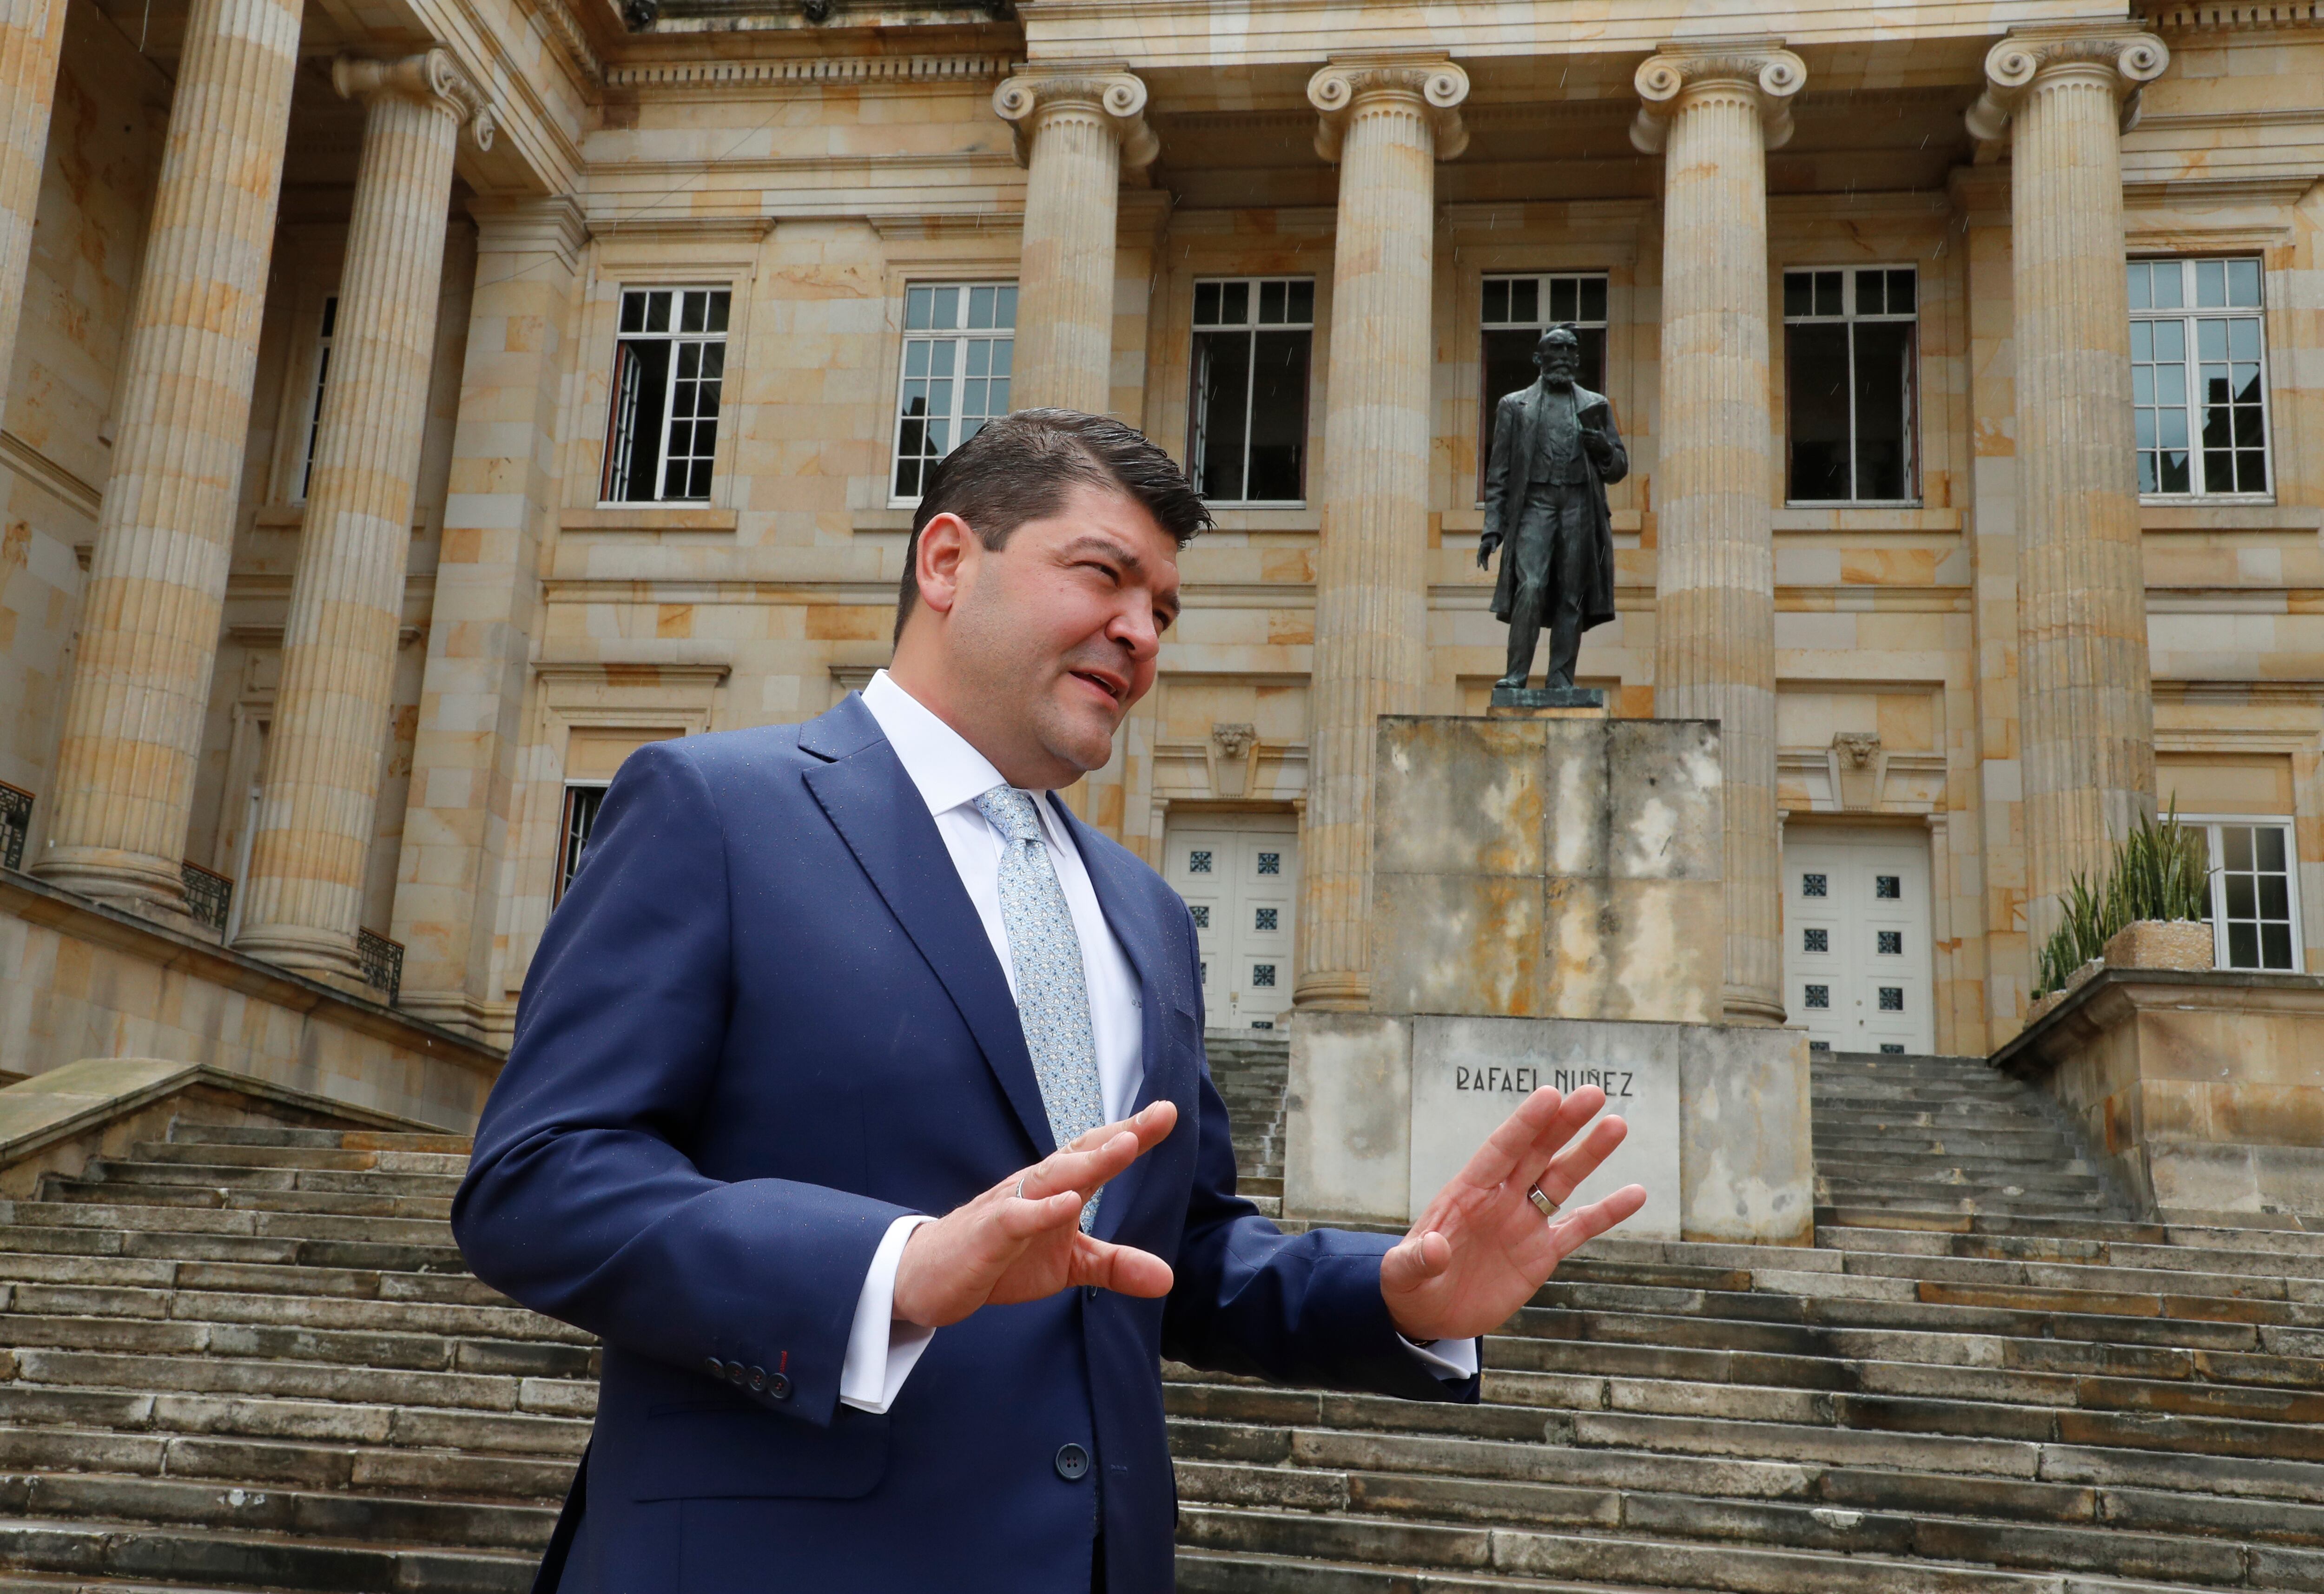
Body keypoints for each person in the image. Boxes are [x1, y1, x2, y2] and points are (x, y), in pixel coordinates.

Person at [452, 408, 1648, 1594]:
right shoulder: (715, 810)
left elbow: (1165, 1245)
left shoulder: (1144, 913)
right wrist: (888, 1269)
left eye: (1163, 611)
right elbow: (538, 1179)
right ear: (947, 562)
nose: (1139, 632)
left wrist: (1391, 1291)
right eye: (1103, 576)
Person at [1478, 325, 1629, 692]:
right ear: (1538, 358)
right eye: (1555, 348)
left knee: (1571, 593)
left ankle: (1560, 679)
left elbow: (1620, 467)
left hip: (1579, 504)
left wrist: (1603, 450)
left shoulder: (1596, 405)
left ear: (1578, 358)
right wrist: (1492, 529)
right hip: (1535, 504)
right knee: (1529, 586)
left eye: (1570, 349)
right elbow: (1499, 473)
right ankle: (1516, 674)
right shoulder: (1514, 405)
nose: (1563, 355)